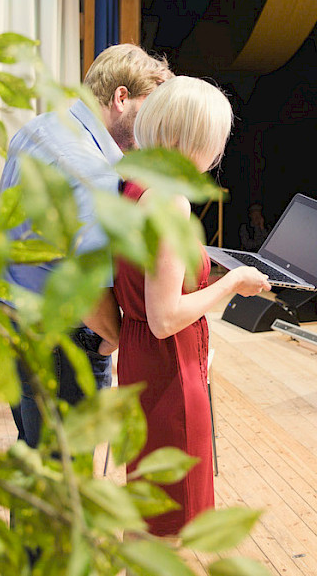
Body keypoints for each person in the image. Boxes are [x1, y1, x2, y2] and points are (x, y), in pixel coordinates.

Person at [113, 76, 271, 536]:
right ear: (194, 139)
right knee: (169, 525)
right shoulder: (171, 201)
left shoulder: (137, 183)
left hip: (141, 356)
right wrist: (233, 282)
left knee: (148, 510)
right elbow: (164, 318)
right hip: (168, 367)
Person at [0, 42, 171, 449]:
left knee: (37, 452)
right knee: (65, 467)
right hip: (60, 337)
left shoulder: (40, 127)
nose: (155, 128)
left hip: (11, 314)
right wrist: (116, 339)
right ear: (122, 98)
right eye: (151, 110)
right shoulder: (91, 170)